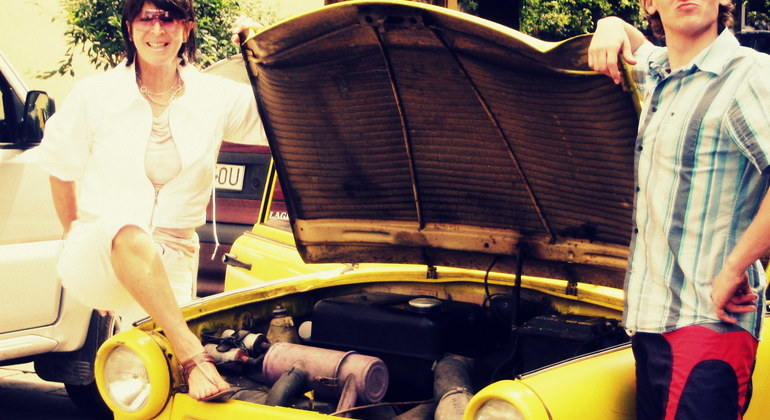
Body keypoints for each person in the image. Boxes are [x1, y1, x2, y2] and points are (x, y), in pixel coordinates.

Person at [36, 0, 265, 401]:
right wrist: (81, 241)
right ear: (130, 27)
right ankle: (195, 357)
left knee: (157, 386)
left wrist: (264, 54)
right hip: (101, 247)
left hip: (173, 254)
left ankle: (184, 364)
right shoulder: (96, 94)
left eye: (168, 19)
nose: (157, 30)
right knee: (124, 227)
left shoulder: (214, 96)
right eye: (147, 18)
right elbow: (60, 167)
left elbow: (279, 117)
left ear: (187, 27)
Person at [588, 1, 770, 419]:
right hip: (650, 323)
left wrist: (735, 266)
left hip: (711, 323)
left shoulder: (750, 75)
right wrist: (610, 24)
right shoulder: (659, 73)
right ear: (649, 4)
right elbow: (637, 46)